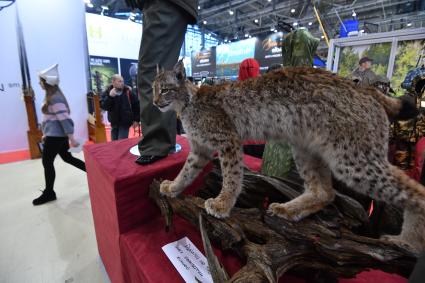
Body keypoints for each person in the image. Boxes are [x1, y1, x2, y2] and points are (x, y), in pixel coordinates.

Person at [125, 0, 197, 165]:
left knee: (152, 73)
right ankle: (159, 141)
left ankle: (156, 143)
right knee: (154, 70)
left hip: (166, 3)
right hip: (166, 5)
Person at [33, 64, 86, 206]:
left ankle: (49, 192)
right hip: (54, 135)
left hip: (56, 137)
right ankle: (92, 174)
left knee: (47, 162)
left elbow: (64, 119)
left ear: (47, 82)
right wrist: (46, 133)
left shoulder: (55, 98)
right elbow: (51, 119)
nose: (39, 83)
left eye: (41, 81)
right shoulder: (52, 96)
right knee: (67, 157)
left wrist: (72, 138)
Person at [100, 74, 140, 141]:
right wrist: (110, 97)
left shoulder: (128, 91)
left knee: (121, 142)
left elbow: (136, 105)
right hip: (114, 122)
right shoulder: (107, 92)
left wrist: (136, 120)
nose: (122, 83)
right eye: (119, 81)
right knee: (114, 143)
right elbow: (104, 106)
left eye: (122, 81)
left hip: (125, 122)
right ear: (113, 82)